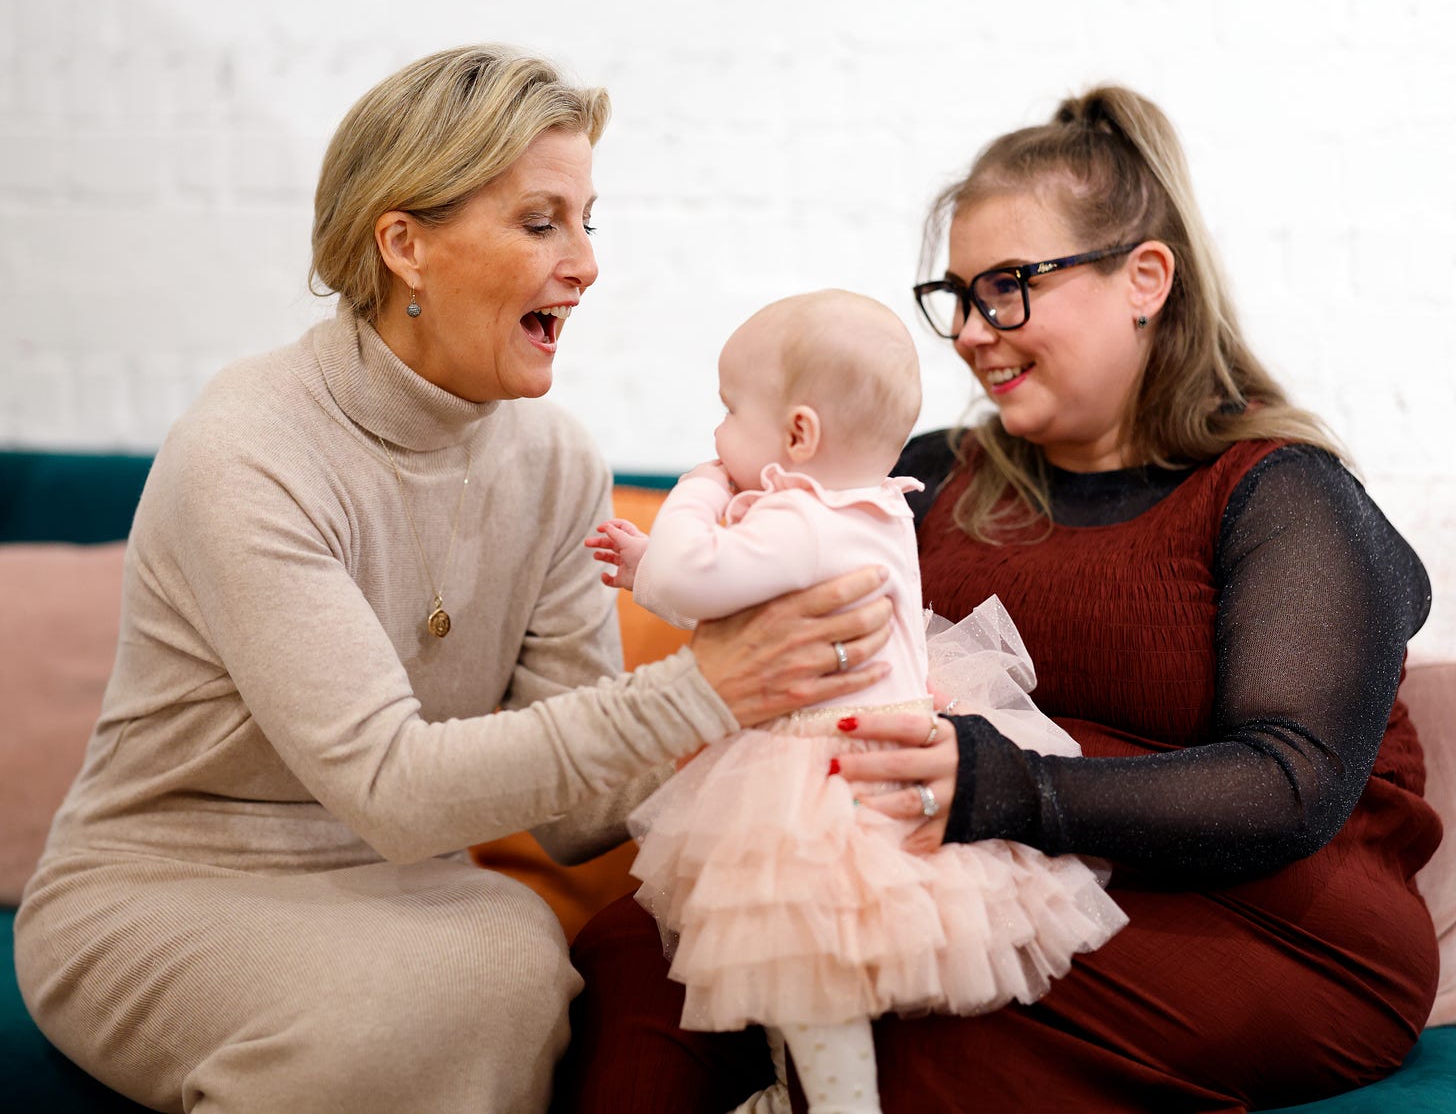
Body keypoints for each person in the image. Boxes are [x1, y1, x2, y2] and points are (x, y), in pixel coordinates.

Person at [12, 46, 896, 1114]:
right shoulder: (246, 452)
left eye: (587, 221)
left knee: (516, 955)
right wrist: (701, 687)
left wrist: (779, 708)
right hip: (164, 883)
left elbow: (575, 819)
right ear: (405, 246)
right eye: (540, 222)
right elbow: (391, 789)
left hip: (398, 885)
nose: (586, 263)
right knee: (419, 1005)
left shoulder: (557, 461)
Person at [554, 86, 1438, 1113]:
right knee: (644, 949)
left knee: (923, 1037)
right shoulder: (926, 476)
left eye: (1010, 286)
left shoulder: (1280, 494)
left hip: (1261, 913)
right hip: (980, 865)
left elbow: (1288, 785)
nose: (972, 331)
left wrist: (997, 783)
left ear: (1145, 278)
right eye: (958, 295)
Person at [585, 289, 1127, 1113]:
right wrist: (652, 565)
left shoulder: (801, 518)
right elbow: (724, 594)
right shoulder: (870, 508)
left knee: (803, 961)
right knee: (795, 960)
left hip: (823, 775)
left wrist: (694, 491)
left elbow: (698, 575)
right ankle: (798, 1088)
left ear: (798, 434)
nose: (715, 436)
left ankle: (835, 1104)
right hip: (878, 756)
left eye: (729, 411)